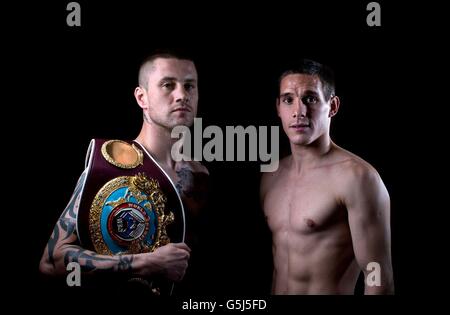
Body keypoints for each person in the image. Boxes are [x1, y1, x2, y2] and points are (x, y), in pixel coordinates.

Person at [39, 52, 209, 294]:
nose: (182, 95)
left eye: (189, 86)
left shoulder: (202, 177)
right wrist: (146, 263)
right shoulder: (108, 167)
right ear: (142, 97)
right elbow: (50, 262)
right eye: (168, 85)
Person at [260, 59, 394, 294]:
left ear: (332, 106)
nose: (298, 111)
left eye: (310, 99)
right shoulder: (271, 175)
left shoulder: (358, 178)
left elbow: (379, 278)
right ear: (278, 108)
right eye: (288, 100)